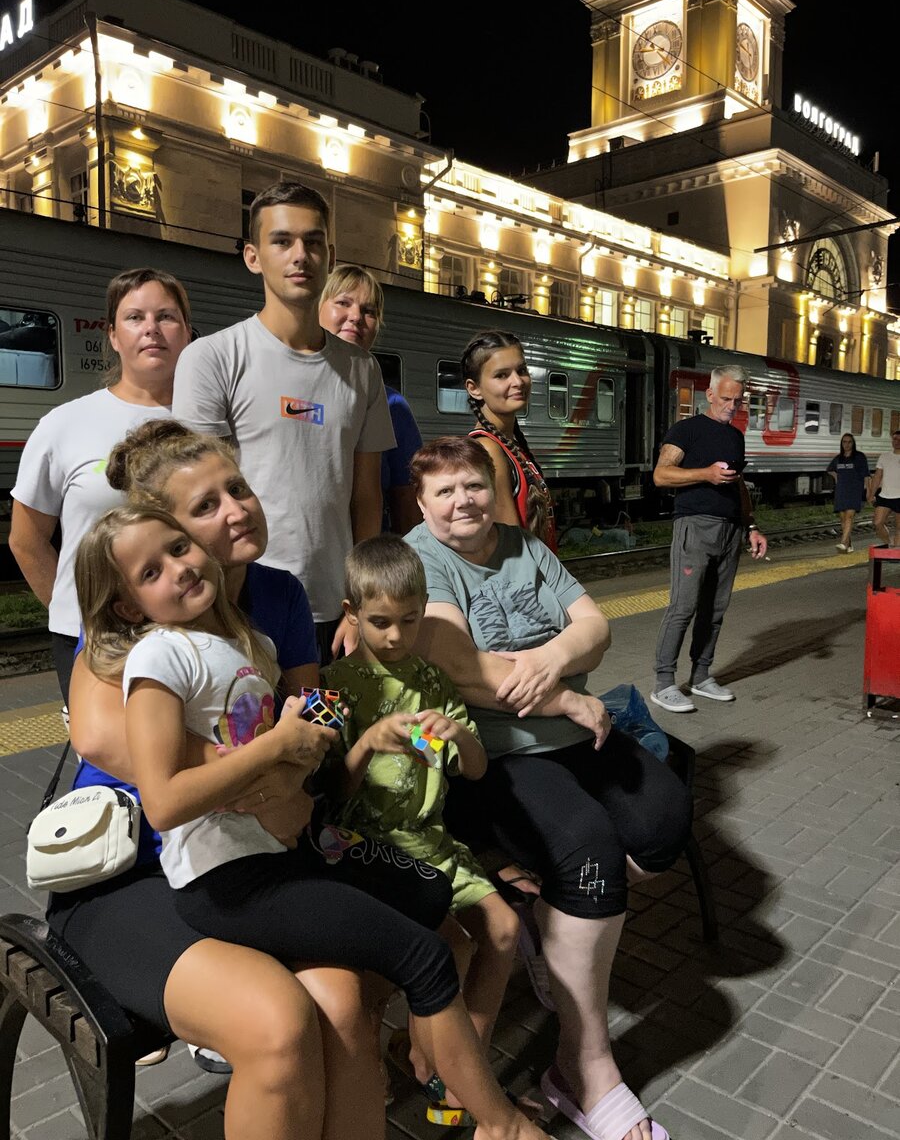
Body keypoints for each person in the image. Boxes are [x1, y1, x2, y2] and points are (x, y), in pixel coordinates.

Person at [75, 504, 553, 1140]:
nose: (179, 568)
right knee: (425, 956)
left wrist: (299, 756)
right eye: (150, 572)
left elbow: (294, 754)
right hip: (228, 878)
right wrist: (276, 749)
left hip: (284, 849)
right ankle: (501, 1124)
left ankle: (409, 1054)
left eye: (178, 548)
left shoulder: (252, 646)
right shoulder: (160, 656)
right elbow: (162, 801)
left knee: (430, 892)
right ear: (129, 606)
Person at [54, 423, 390, 1136]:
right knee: (278, 1024)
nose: (238, 510)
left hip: (241, 858)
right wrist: (266, 775)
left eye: (237, 488)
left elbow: (316, 710)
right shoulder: (137, 612)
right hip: (134, 868)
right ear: (162, 533)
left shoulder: (278, 594)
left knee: (347, 1008)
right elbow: (99, 737)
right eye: (205, 507)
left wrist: (302, 757)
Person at [405, 436, 691, 1140]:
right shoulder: (421, 559)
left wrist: (550, 657)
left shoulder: (524, 546)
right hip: (493, 752)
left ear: (493, 490)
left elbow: (595, 628)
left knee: (663, 823)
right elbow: (461, 667)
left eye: (474, 485)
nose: (463, 501)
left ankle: (556, 922)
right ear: (422, 503)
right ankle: (582, 1065)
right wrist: (565, 696)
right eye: (445, 491)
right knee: (590, 853)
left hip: (576, 732)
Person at [321, 534, 519, 1124]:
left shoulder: (432, 682)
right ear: (351, 614)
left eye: (410, 620)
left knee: (504, 928)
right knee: (450, 946)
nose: (395, 636)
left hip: (431, 841)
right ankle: (434, 1066)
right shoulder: (333, 685)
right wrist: (364, 745)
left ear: (425, 609)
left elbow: (475, 769)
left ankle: (459, 1069)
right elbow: (327, 798)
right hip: (367, 848)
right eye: (380, 622)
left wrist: (459, 736)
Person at [172, 182, 396, 661]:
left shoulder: (362, 370)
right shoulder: (212, 358)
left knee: (331, 714)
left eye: (313, 242)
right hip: (243, 604)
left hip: (336, 609)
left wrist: (362, 600)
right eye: (282, 241)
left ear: (329, 256)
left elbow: (366, 497)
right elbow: (196, 501)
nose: (300, 255)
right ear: (253, 257)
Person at [10, 268, 193, 703]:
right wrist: (75, 613)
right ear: (112, 335)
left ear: (188, 332)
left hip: (193, 631)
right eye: (135, 317)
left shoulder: (211, 422)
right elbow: (26, 540)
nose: (151, 328)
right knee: (105, 750)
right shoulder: (64, 424)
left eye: (166, 316)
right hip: (95, 641)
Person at [650, 365, 767, 714]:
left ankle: (700, 676)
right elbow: (660, 475)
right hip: (695, 527)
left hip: (731, 531)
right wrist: (706, 474)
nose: (732, 406)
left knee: (715, 610)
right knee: (683, 607)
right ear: (710, 394)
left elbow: (739, 485)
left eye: (738, 401)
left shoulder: (735, 437)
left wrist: (751, 526)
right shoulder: (686, 430)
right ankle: (664, 683)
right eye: (726, 399)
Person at [319, 265, 423, 534]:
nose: (356, 317)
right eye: (343, 303)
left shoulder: (393, 406)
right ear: (316, 308)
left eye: (369, 311)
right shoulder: (292, 392)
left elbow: (406, 499)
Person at [462, 330, 557, 551]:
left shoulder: (507, 443)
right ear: (474, 389)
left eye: (521, 370)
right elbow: (511, 545)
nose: (518, 381)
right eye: (502, 375)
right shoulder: (488, 449)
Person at [826, 433, 870, 552]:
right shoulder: (838, 458)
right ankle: (849, 545)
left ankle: (842, 543)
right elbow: (830, 469)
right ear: (841, 444)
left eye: (849, 442)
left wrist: (868, 491)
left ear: (853, 443)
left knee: (849, 516)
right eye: (844, 442)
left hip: (855, 490)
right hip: (841, 490)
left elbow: (866, 475)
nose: (847, 444)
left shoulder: (859, 457)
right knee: (843, 518)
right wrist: (836, 477)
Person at [868, 428, 900, 547]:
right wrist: (871, 494)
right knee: (877, 523)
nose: (897, 442)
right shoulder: (884, 456)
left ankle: (896, 551)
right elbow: (877, 476)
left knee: (899, 528)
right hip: (885, 496)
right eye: (895, 439)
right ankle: (888, 543)